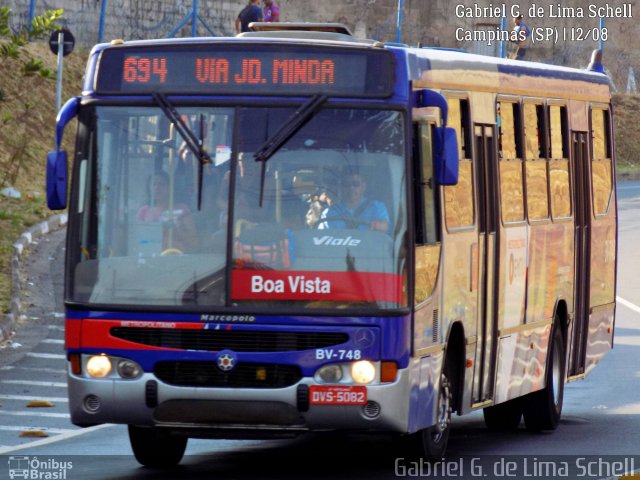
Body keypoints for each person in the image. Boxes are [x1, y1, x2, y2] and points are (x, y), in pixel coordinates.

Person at [137, 171, 197, 252]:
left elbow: (194, 242)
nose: (157, 188)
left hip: (177, 256)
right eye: (153, 184)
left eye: (161, 184)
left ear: (170, 188)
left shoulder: (182, 209)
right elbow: (137, 239)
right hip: (149, 256)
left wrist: (176, 231)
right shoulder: (143, 211)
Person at [318, 172, 390, 233]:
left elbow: (385, 227)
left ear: (363, 186)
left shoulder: (376, 207)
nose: (351, 188)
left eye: (355, 184)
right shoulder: (330, 212)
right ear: (342, 188)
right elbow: (321, 237)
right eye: (346, 184)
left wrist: (377, 225)